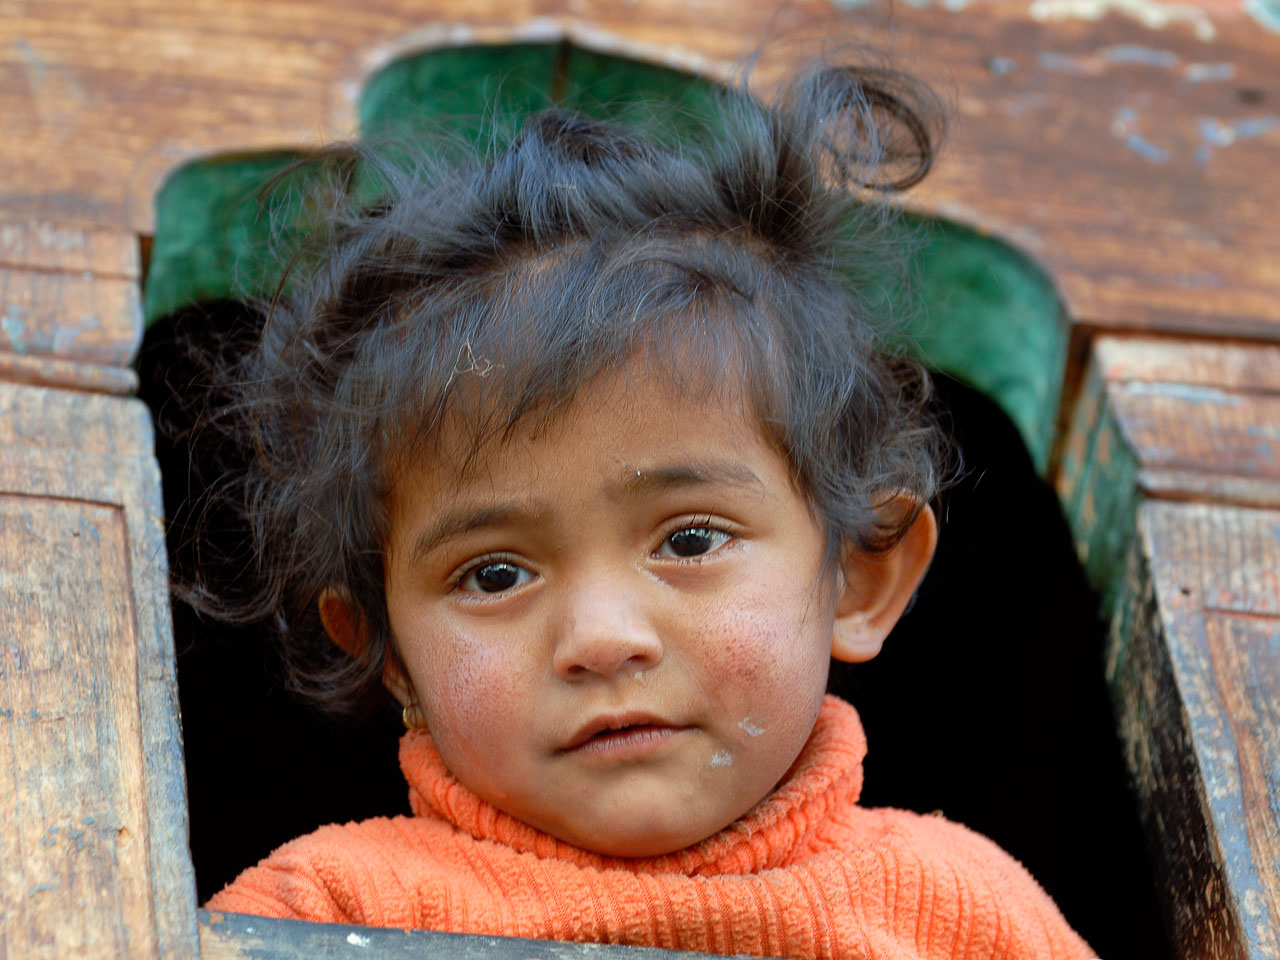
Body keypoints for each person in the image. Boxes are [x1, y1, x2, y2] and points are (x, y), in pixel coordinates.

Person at [196, 62, 1096, 958]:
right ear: (390, 656)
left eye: (691, 539)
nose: (602, 637)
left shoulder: (962, 916)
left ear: (860, 576)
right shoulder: (317, 915)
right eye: (495, 573)